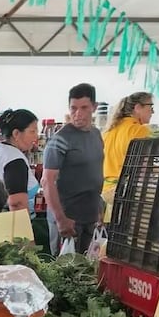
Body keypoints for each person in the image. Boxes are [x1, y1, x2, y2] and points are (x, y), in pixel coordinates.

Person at [42, 83, 104, 255]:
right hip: (68, 218)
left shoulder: (96, 135)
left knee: (89, 270)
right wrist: (60, 219)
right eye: (73, 108)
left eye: (84, 108)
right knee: (64, 270)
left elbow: (96, 171)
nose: (78, 114)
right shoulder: (60, 140)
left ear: (94, 107)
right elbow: (47, 181)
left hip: (90, 216)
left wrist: (99, 209)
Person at [0, 108, 40, 214]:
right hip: (8, 223)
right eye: (32, 131)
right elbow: (17, 203)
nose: (36, 137)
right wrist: (22, 228)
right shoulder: (14, 159)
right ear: (16, 133)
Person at [102, 92, 154, 222]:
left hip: (107, 191)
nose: (152, 111)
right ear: (137, 108)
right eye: (150, 106)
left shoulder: (108, 131)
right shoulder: (140, 131)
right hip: (128, 192)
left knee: (115, 233)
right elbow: (144, 166)